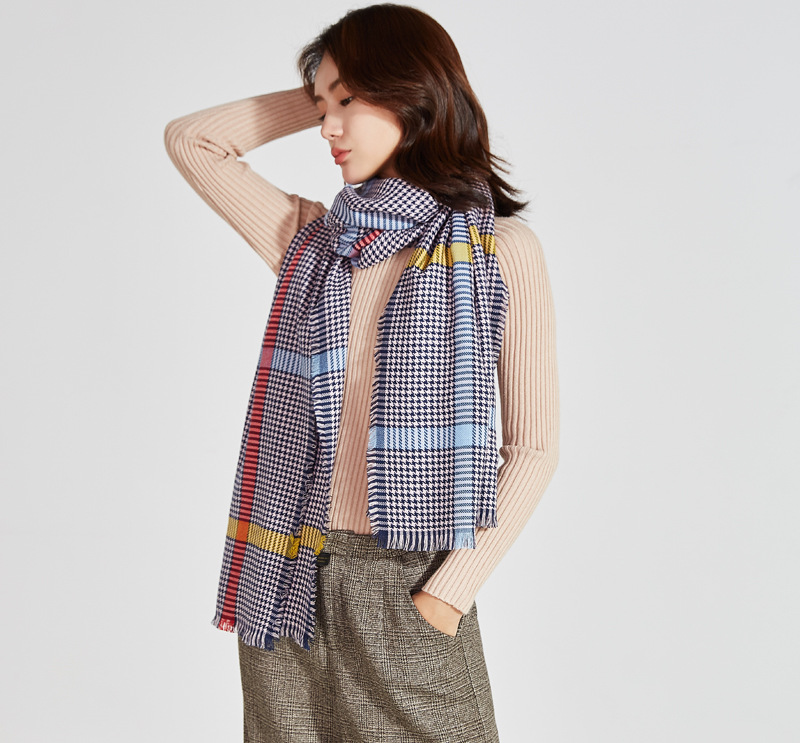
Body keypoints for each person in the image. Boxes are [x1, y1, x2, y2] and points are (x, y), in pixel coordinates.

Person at [164, 4, 559, 741]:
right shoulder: (313, 243)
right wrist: (320, 88)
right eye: (323, 108)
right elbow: (194, 142)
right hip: (287, 572)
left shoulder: (500, 252)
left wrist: (445, 597)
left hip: (408, 583)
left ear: (414, 94)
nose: (328, 128)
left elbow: (533, 449)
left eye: (348, 102)